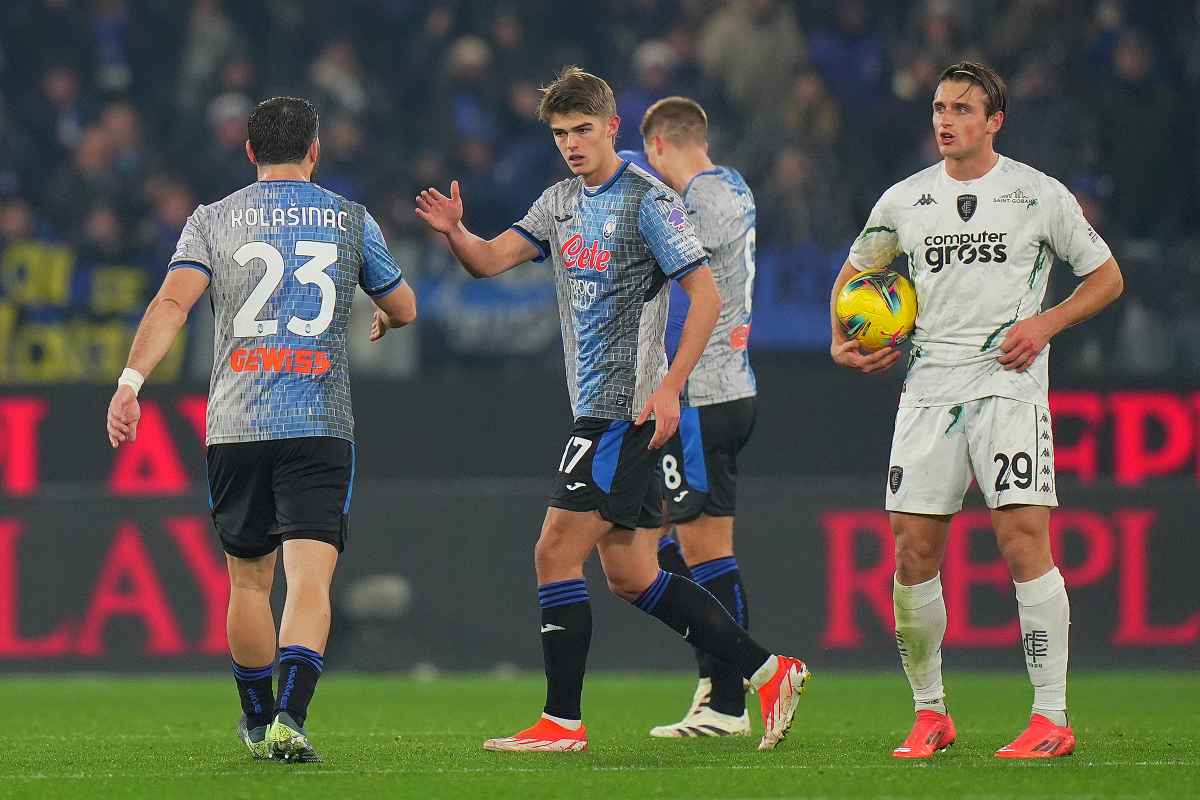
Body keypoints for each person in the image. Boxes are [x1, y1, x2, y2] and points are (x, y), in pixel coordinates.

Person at [415, 66, 808, 753]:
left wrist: (670, 386)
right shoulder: (559, 201)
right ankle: (768, 672)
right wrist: (456, 232)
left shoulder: (647, 201)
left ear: (613, 128)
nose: (571, 143)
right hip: (594, 411)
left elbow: (706, 296)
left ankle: (561, 721)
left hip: (623, 415)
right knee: (633, 575)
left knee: (553, 552)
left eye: (583, 130)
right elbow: (488, 261)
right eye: (561, 133)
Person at [105, 96, 417, 763]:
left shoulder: (211, 220)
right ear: (316, 150)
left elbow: (172, 304)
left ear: (249, 152)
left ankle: (254, 722)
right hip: (318, 423)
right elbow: (404, 304)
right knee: (309, 580)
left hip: (237, 424)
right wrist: (388, 316)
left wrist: (130, 383)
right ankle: (291, 720)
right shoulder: (350, 218)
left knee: (249, 581)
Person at [829, 62, 1123, 760]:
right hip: (928, 390)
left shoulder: (1035, 194)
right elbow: (854, 275)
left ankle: (1051, 718)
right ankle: (931, 714)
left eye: (962, 108)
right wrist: (840, 341)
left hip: (1008, 386)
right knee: (911, 551)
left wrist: (1046, 325)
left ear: (994, 121)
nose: (945, 119)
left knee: (1023, 540)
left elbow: (1106, 277)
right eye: (938, 106)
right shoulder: (905, 200)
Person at [616, 94, 760, 739]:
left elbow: (679, 271)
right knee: (685, 546)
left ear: (658, 146)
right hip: (724, 389)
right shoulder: (733, 187)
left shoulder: (702, 202)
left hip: (700, 394)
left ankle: (730, 697)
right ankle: (719, 683)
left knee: (695, 554)